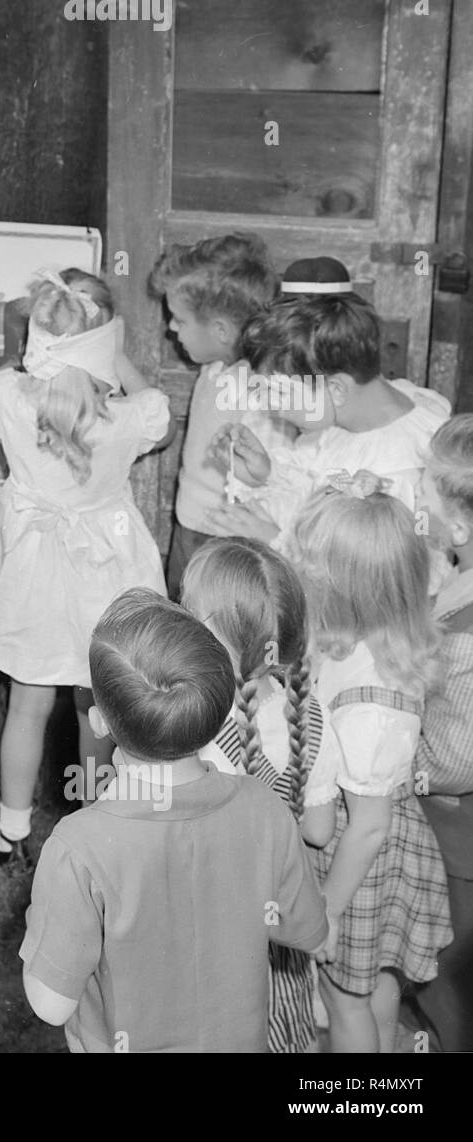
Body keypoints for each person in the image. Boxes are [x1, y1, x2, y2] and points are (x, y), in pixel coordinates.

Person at [20, 588, 329, 1052]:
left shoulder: (78, 846)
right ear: (220, 709)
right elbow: (306, 931)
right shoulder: (264, 807)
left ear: (101, 721)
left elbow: (50, 1005)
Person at [0, 270, 171, 856]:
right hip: (108, 572)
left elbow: (28, 379)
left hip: (33, 574)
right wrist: (114, 355)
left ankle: (11, 830)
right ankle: (95, 832)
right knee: (97, 707)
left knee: (26, 705)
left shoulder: (6, 397)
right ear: (104, 345)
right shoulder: (130, 418)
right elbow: (155, 407)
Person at [286, 475, 452, 1052]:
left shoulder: (372, 706)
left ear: (344, 590)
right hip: (370, 846)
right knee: (375, 981)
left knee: (342, 997)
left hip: (359, 862)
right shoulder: (361, 643)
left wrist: (324, 911)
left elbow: (371, 824)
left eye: (307, 572)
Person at [180, 537, 344, 1051]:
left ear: (205, 633)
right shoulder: (311, 715)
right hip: (281, 924)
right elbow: (319, 830)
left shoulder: (194, 728)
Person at [210, 289, 450, 547]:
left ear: (336, 389)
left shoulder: (398, 478)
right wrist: (269, 473)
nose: (271, 406)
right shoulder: (360, 411)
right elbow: (322, 485)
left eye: (279, 392)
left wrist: (276, 541)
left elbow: (362, 574)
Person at [146, 233, 283, 597]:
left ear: (220, 330)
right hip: (190, 523)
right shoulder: (215, 366)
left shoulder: (258, 388)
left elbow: (275, 471)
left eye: (179, 319)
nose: (170, 328)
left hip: (225, 539)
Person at [408, 416, 473, 1051]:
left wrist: (398, 760)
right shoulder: (457, 580)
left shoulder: (466, 637)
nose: (415, 499)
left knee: (445, 975)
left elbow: (457, 758)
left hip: (457, 840)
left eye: (422, 491)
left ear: (458, 528)